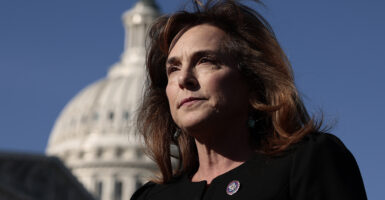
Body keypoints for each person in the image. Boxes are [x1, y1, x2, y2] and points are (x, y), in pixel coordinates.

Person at [132, 0, 367, 199]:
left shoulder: (308, 161)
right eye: (173, 69)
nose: (184, 78)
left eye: (205, 60)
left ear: (252, 78)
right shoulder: (151, 196)